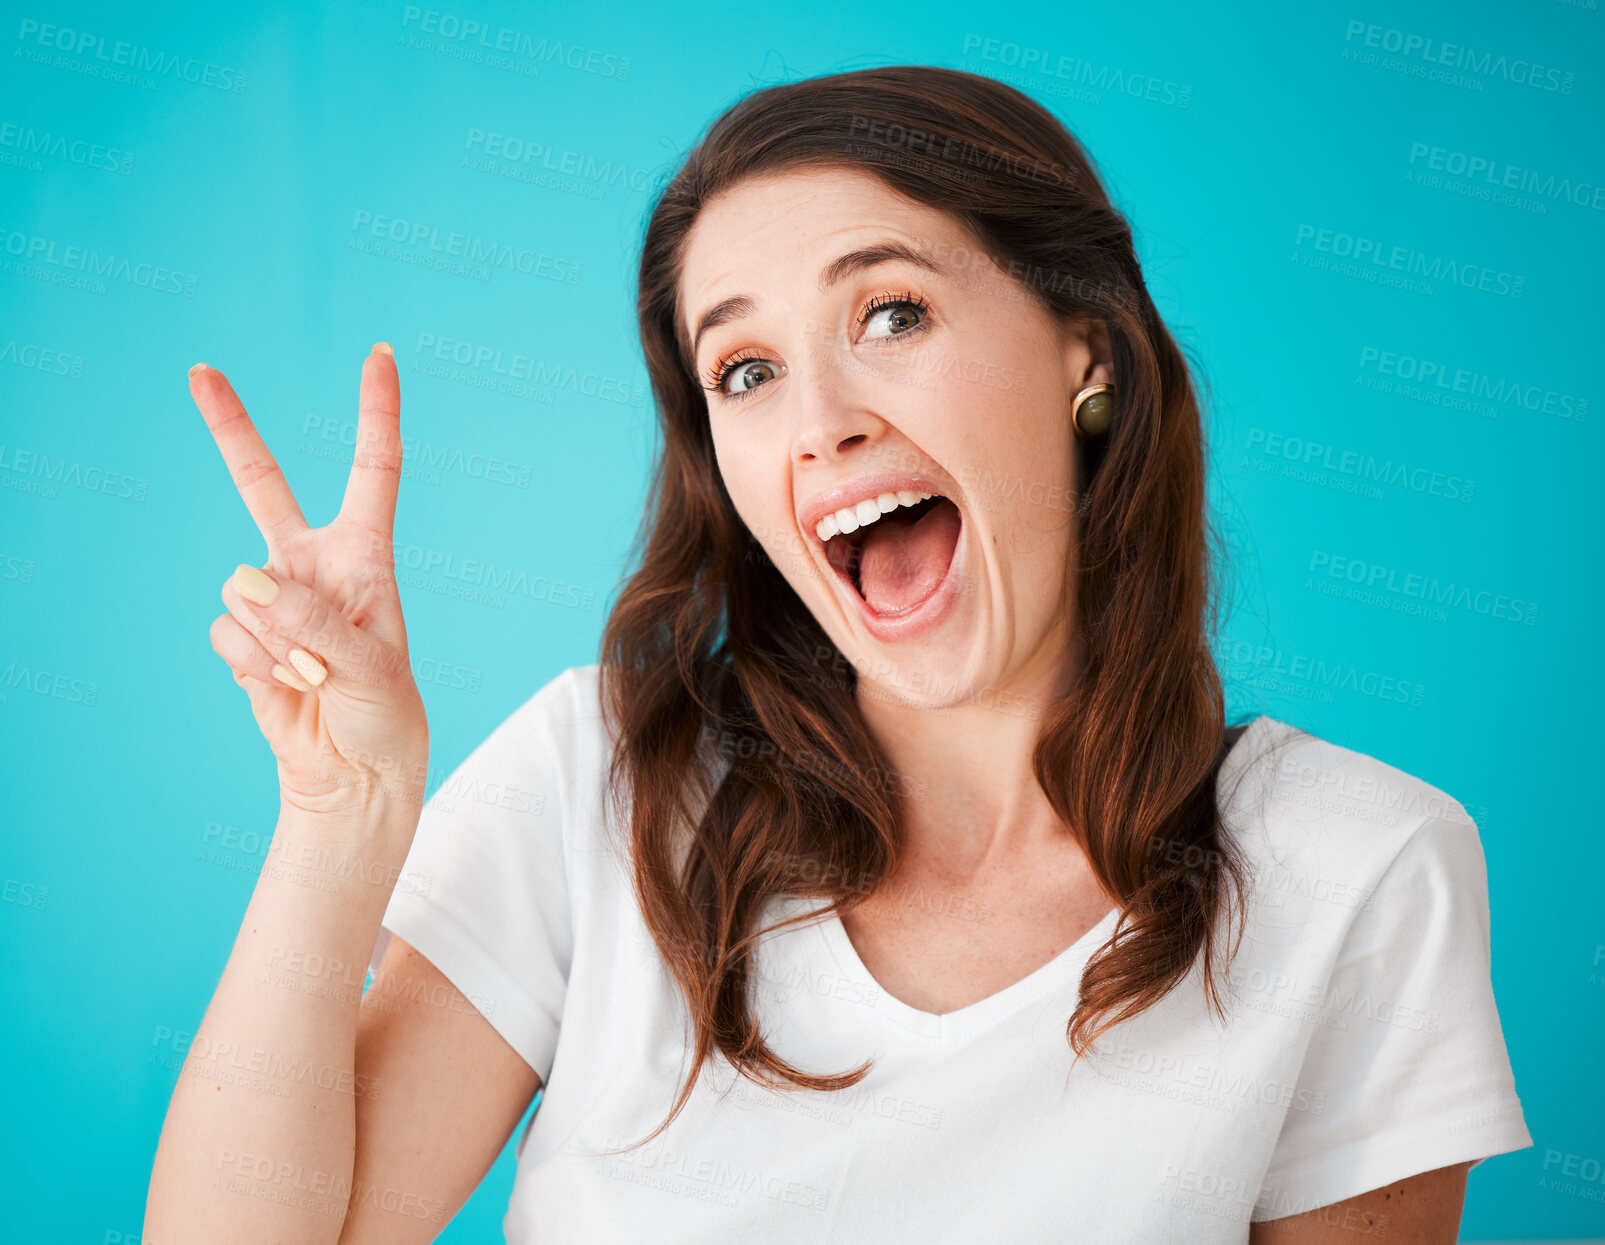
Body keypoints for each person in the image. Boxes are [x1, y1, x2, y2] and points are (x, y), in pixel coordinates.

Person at [145, 66, 1530, 1243]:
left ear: (1083, 352)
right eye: (743, 371)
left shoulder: (1360, 865)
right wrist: (344, 817)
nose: (817, 421)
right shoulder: (599, 777)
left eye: (890, 315)